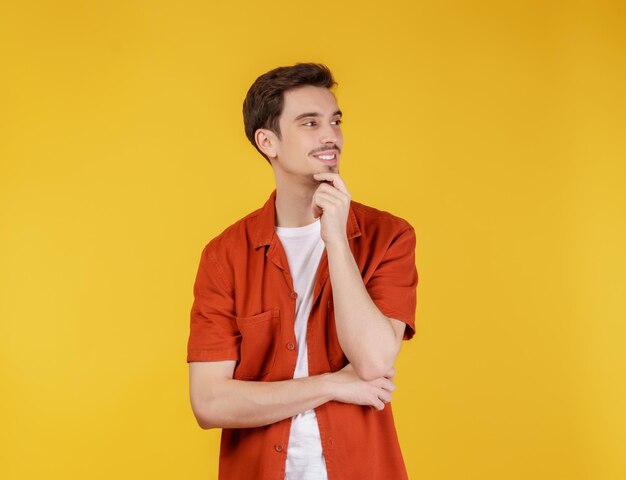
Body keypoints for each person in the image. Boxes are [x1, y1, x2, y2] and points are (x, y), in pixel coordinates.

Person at [187, 63, 418, 480]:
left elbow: (372, 361)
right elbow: (209, 403)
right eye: (310, 123)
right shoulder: (225, 257)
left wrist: (337, 241)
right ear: (267, 141)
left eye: (334, 121)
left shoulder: (388, 236)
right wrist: (332, 385)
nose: (330, 136)